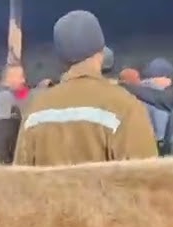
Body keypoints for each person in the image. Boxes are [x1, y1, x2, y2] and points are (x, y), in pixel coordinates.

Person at [13, 10, 157, 165]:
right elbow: (145, 180)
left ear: (60, 58)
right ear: (101, 53)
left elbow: (20, 179)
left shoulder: (35, 110)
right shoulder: (125, 107)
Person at [124, 58, 173, 147]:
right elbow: (161, 133)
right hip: (158, 145)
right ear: (164, 77)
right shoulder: (167, 97)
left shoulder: (135, 92)